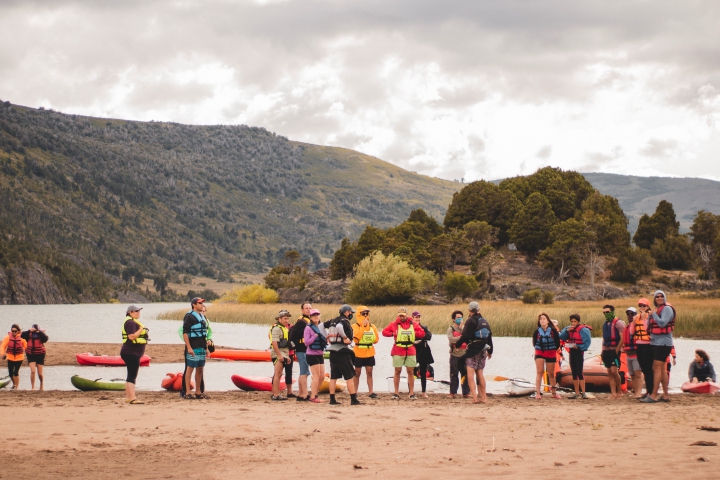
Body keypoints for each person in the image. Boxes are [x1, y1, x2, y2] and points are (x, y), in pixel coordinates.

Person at [451, 301, 493, 404]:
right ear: (479, 310)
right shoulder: (485, 321)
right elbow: (489, 337)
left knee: (470, 375)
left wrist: (457, 345)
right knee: (480, 374)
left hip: (472, 351)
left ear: (469, 310)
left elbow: (464, 336)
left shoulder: (470, 321)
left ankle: (475, 398)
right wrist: (490, 351)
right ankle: (484, 398)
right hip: (483, 350)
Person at [382, 307, 426, 400]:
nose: (401, 317)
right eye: (400, 315)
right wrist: (394, 333)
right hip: (398, 350)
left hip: (410, 350)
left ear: (406, 315)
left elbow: (422, 333)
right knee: (397, 371)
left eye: (403, 315)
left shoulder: (413, 324)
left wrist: (413, 333)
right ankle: (396, 393)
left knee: (410, 371)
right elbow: (384, 332)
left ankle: (411, 393)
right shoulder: (394, 324)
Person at [324, 305, 362, 405]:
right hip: (342, 351)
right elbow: (339, 327)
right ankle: (353, 399)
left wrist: (325, 337)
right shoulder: (343, 321)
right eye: (351, 312)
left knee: (333, 377)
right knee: (349, 376)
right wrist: (345, 337)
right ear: (346, 312)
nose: (351, 314)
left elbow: (320, 326)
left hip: (332, 351)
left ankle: (332, 400)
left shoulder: (333, 320)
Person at [642, 290, 674, 403]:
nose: (659, 298)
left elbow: (662, 323)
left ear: (664, 297)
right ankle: (665, 395)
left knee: (655, 368)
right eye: (657, 297)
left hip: (663, 343)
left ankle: (654, 395)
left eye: (661, 296)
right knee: (662, 369)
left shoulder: (667, 309)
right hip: (656, 343)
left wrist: (653, 314)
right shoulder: (658, 310)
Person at [182, 297, 210, 399]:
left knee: (200, 369)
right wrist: (189, 347)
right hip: (193, 346)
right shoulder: (189, 316)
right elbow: (185, 333)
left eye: (202, 303)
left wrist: (206, 348)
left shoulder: (202, 316)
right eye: (200, 303)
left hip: (201, 346)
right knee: (190, 369)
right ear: (194, 304)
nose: (202, 304)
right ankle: (187, 392)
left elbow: (204, 334)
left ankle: (198, 392)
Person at [121, 305, 149, 404]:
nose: (138, 312)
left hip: (130, 352)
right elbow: (131, 336)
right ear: (130, 312)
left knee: (130, 374)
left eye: (139, 311)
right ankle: (132, 398)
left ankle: (129, 397)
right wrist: (141, 330)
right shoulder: (131, 323)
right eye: (136, 311)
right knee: (132, 375)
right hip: (131, 352)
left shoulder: (131, 321)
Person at [558, 314, 591, 399]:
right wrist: (567, 331)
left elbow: (587, 343)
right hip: (572, 351)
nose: (573, 323)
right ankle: (576, 393)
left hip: (579, 352)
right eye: (572, 321)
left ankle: (583, 393)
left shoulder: (583, 330)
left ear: (578, 321)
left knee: (579, 372)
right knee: (574, 372)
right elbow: (561, 337)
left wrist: (579, 347)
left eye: (575, 321)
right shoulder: (568, 328)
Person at [352, 306, 379, 398]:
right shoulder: (354, 326)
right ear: (359, 314)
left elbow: (376, 340)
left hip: (369, 352)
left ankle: (371, 392)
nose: (365, 315)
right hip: (358, 353)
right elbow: (356, 338)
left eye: (367, 313)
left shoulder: (372, 326)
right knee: (357, 373)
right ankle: (354, 392)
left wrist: (369, 335)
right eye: (363, 313)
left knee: (370, 373)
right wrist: (363, 326)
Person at [532, 313, 561, 400]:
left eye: (544, 318)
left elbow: (557, 343)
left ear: (548, 321)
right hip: (540, 352)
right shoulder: (537, 331)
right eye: (541, 319)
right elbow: (534, 342)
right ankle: (538, 393)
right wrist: (538, 350)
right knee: (539, 372)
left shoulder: (553, 331)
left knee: (551, 374)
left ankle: (554, 393)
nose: (542, 320)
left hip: (550, 352)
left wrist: (552, 350)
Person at [288, 302, 313, 402]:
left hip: (306, 349)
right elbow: (293, 335)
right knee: (304, 372)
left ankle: (301, 393)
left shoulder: (309, 321)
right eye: (306, 308)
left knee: (304, 372)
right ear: (302, 310)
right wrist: (295, 347)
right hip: (301, 350)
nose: (308, 310)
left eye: (310, 308)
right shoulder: (302, 322)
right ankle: (305, 394)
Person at [601, 305, 625, 399]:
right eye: (604, 312)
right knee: (609, 372)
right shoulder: (605, 324)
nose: (606, 314)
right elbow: (604, 339)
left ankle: (619, 392)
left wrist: (617, 350)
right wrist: (602, 351)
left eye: (608, 312)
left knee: (614, 371)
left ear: (612, 311)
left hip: (614, 350)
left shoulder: (618, 323)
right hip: (606, 350)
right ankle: (613, 393)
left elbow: (622, 338)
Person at [303, 308, 327, 403]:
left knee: (322, 377)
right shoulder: (308, 328)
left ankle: (315, 393)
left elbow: (324, 339)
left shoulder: (321, 327)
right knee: (316, 376)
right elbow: (306, 343)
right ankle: (313, 396)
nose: (316, 317)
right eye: (313, 315)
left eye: (317, 315)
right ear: (310, 317)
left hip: (320, 353)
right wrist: (315, 336)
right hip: (311, 354)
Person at [269, 309, 293, 401]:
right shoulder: (276, 328)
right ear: (279, 319)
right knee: (278, 374)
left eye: (287, 319)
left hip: (284, 353)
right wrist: (279, 355)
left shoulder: (284, 328)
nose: (287, 321)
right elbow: (275, 343)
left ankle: (275, 394)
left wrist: (286, 356)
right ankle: (275, 395)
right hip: (278, 354)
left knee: (279, 374)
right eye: (285, 319)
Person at [447, 310, 470, 398]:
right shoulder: (451, 329)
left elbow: (468, 337)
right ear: (453, 319)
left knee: (465, 374)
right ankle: (452, 392)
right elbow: (451, 339)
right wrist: (461, 337)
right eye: (458, 317)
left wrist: (462, 330)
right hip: (455, 355)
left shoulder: (465, 329)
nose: (460, 319)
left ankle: (466, 392)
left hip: (464, 354)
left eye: (461, 317)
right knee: (454, 374)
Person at [412, 310, 434, 398]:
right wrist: (419, 337)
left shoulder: (424, 327)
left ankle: (423, 392)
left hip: (424, 350)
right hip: (414, 349)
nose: (417, 319)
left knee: (423, 370)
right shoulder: (410, 327)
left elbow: (429, 336)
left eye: (419, 317)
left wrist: (420, 336)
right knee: (411, 370)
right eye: (416, 317)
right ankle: (411, 391)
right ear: (412, 318)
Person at [634, 297, 653, 397]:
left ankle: (651, 391)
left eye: (644, 306)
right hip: (639, 345)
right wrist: (634, 322)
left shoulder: (650, 317)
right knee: (644, 370)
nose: (642, 307)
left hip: (648, 345)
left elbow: (648, 330)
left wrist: (645, 318)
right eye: (640, 306)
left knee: (649, 369)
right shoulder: (636, 318)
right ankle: (648, 391)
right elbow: (632, 332)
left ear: (647, 306)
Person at [623, 307, 644, 398]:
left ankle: (639, 392)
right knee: (632, 374)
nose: (630, 316)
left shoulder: (638, 325)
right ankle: (636, 392)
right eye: (628, 314)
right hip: (628, 354)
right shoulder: (626, 328)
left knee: (638, 373)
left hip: (637, 353)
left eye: (632, 314)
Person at [21, 324, 48, 391]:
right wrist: (29, 331)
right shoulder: (28, 334)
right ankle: (33, 387)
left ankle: (41, 384)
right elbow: (22, 335)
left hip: (40, 355)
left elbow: (46, 339)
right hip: (31, 354)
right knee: (33, 371)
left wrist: (39, 332)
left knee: (40, 373)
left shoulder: (41, 335)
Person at [1, 324, 27, 390]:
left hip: (19, 358)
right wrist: (2, 354)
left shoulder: (22, 338)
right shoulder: (8, 337)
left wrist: (25, 349)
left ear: (18, 331)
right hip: (10, 357)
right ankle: (14, 384)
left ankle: (16, 387)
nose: (14, 332)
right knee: (10, 373)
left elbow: (26, 346)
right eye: (12, 331)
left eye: (15, 331)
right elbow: (3, 346)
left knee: (16, 372)